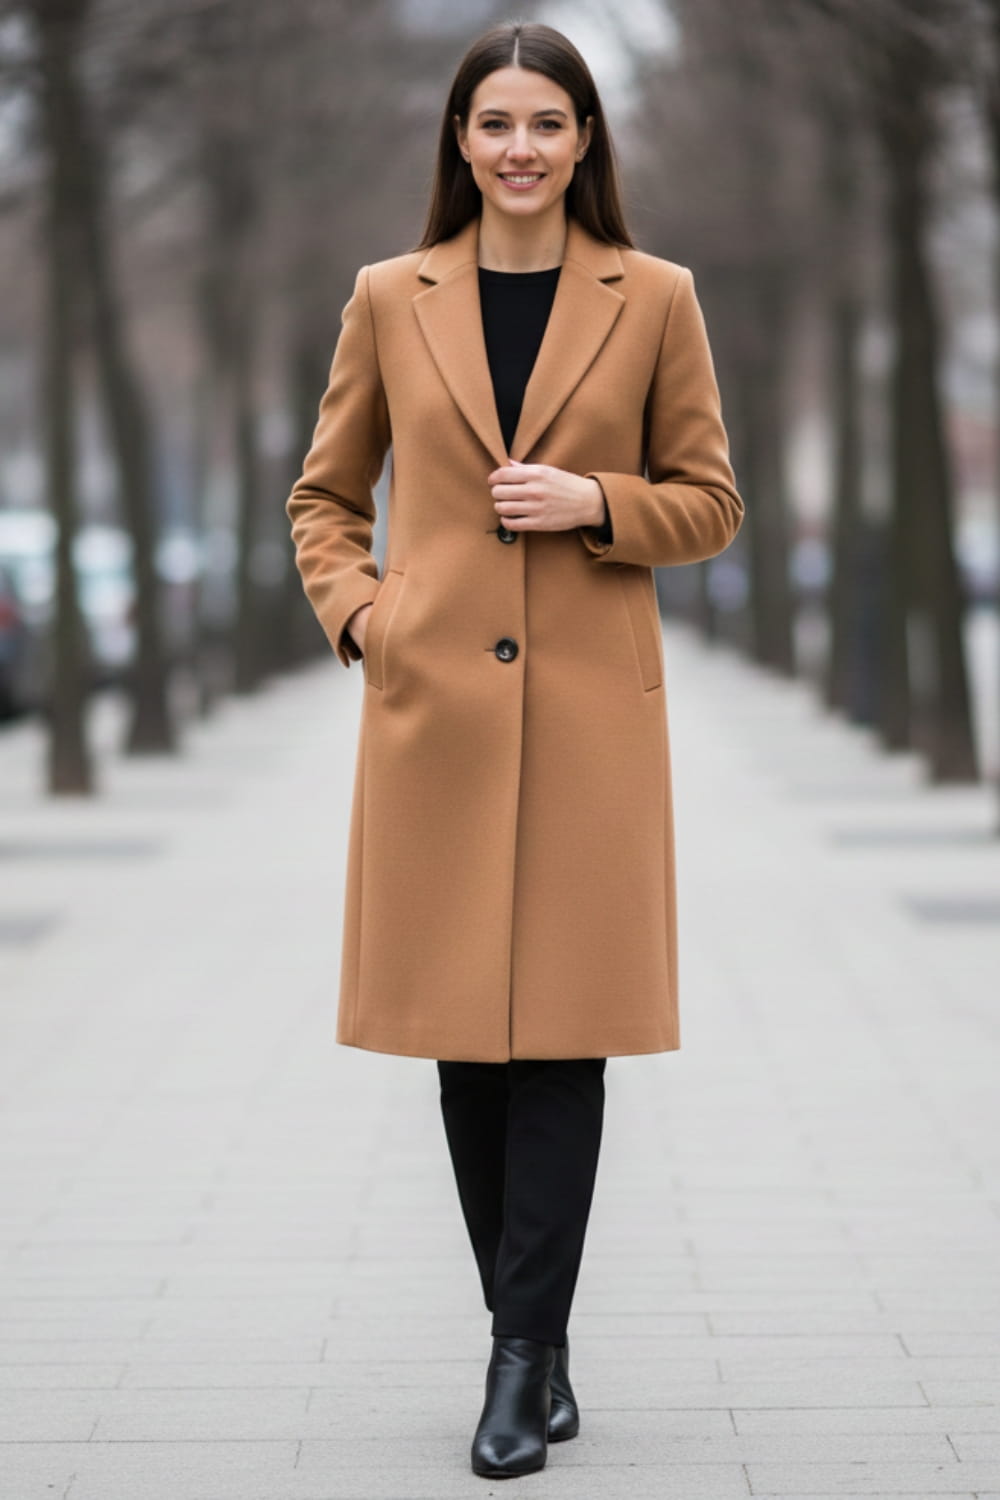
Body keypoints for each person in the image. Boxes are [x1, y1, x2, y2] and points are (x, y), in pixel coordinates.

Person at [285, 19, 744, 1481]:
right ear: (461, 143)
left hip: (595, 728)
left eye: (550, 122)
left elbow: (712, 502)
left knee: (560, 1041)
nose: (523, 148)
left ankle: (520, 1357)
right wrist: (368, 619)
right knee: (465, 1052)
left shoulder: (656, 296)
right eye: (497, 124)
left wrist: (598, 502)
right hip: (437, 727)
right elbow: (323, 493)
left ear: (586, 140)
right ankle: (528, 1333)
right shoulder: (388, 295)